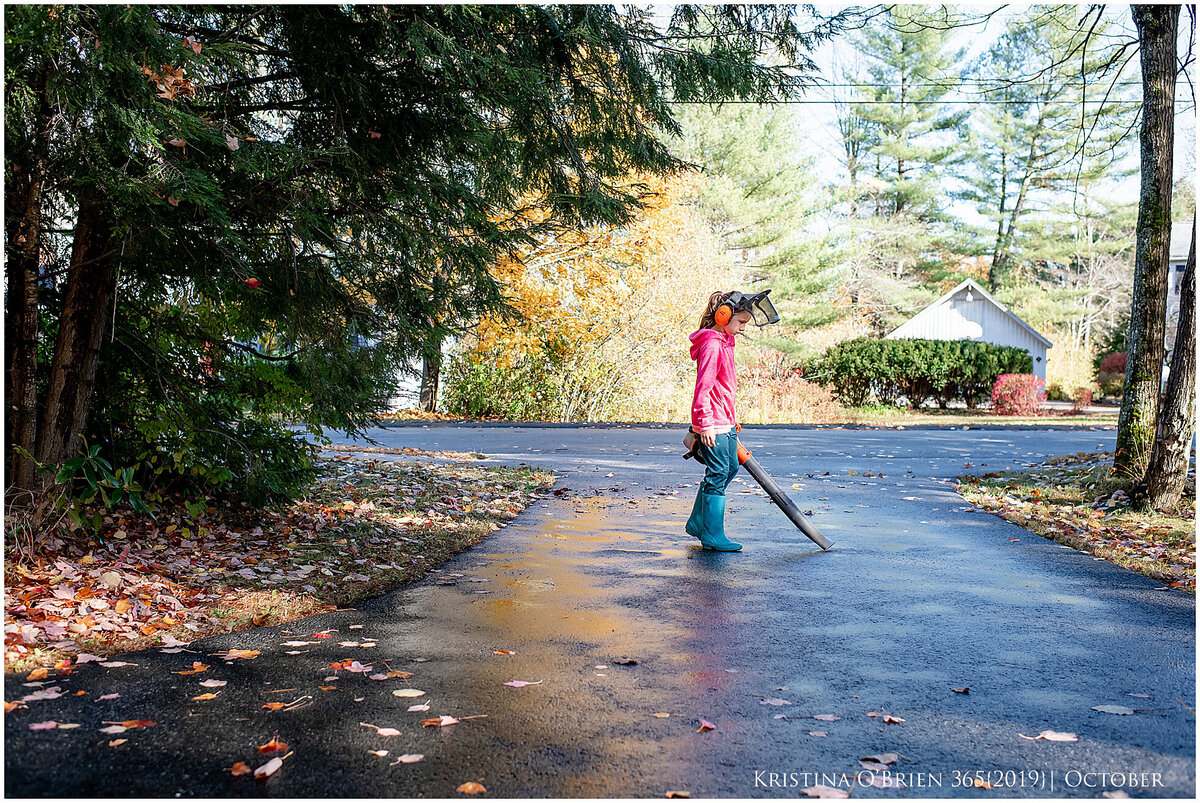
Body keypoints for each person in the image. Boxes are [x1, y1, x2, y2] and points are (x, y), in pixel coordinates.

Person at [684, 290, 777, 551]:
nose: (743, 328)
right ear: (723, 316)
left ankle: (697, 521)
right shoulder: (713, 345)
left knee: (730, 469)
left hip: (725, 421)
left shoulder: (724, 341)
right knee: (717, 473)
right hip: (712, 422)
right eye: (741, 323)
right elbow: (703, 388)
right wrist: (705, 424)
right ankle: (712, 534)